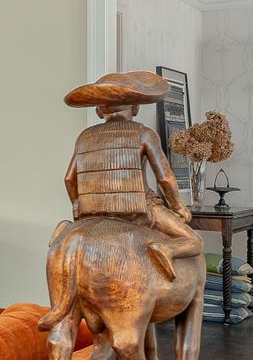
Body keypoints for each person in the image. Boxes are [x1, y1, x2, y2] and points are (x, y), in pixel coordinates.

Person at [59, 71, 204, 279]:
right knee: (194, 240)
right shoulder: (144, 134)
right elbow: (165, 177)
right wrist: (178, 207)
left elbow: (69, 179)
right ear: (135, 108)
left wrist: (77, 206)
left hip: (93, 211)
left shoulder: (84, 137)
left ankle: (65, 228)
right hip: (139, 209)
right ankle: (166, 249)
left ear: (99, 111)